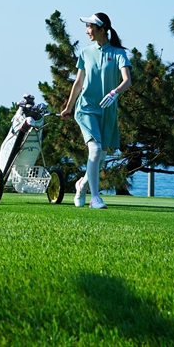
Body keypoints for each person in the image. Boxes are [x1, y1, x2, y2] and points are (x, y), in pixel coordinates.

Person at [60, 13, 132, 209]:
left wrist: (115, 92)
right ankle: (95, 198)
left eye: (90, 27)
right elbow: (78, 83)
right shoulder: (85, 52)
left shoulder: (118, 53)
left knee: (100, 156)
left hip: (107, 110)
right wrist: (68, 107)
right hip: (86, 108)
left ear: (102, 29)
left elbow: (127, 80)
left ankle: (81, 184)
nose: (87, 31)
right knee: (96, 149)